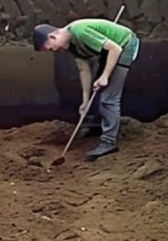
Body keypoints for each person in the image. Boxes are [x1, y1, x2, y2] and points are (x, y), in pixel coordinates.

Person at [32, 18, 140, 160]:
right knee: (97, 90)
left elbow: (116, 49)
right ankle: (96, 127)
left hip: (124, 45)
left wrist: (105, 76)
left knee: (109, 98)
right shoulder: (71, 45)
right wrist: (85, 101)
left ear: (53, 36)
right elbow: (84, 69)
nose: (53, 51)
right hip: (109, 51)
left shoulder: (80, 32)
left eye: (49, 47)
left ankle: (109, 142)